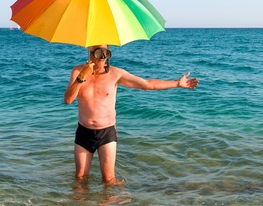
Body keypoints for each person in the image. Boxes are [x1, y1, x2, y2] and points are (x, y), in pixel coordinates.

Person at [64, 44, 199, 185]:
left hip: (106, 133)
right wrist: (82, 77)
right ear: (89, 52)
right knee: (80, 178)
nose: (102, 57)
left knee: (109, 180)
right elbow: (68, 99)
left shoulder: (116, 74)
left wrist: (177, 83)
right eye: (98, 53)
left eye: (106, 53)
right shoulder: (77, 71)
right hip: (84, 131)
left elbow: (147, 84)